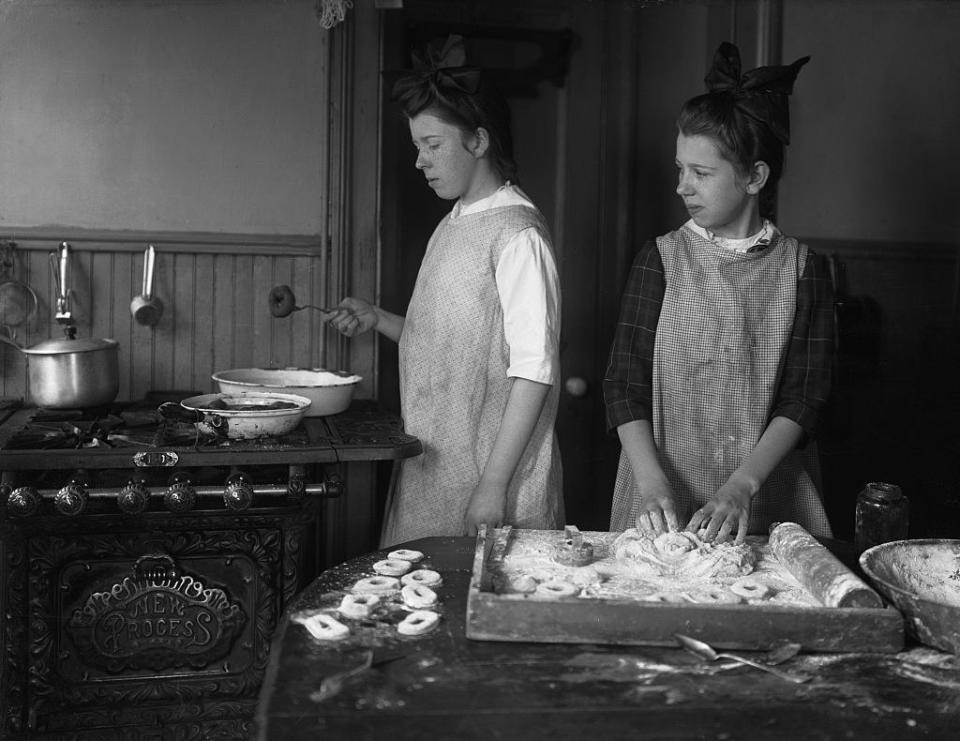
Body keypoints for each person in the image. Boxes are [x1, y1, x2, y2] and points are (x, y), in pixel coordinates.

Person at [324, 35, 564, 547]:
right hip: (434, 466)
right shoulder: (453, 223)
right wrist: (378, 319)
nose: (420, 162)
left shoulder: (518, 235)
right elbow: (453, 342)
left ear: (478, 141)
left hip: (492, 479)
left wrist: (494, 484)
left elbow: (533, 370)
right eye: (418, 147)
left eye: (432, 146)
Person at [603, 42, 833, 545]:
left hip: (766, 496)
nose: (682, 187)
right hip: (658, 498)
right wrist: (650, 481)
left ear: (754, 177)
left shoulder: (802, 269)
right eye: (680, 169)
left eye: (701, 174)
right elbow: (624, 384)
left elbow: (804, 398)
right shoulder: (659, 259)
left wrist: (741, 486)